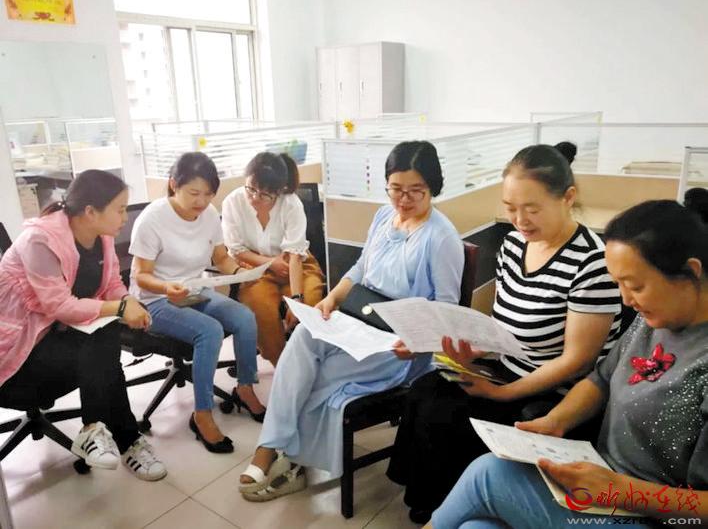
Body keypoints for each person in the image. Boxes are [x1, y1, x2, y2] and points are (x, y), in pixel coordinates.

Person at [430, 198, 708, 529]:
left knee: (488, 474)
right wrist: (555, 421)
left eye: (635, 286)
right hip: (606, 487)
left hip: (657, 515)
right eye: (619, 284)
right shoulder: (653, 320)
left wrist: (622, 491)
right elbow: (601, 380)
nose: (625, 299)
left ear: (690, 272)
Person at [387, 143, 623, 523]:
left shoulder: (593, 264)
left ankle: (449, 506)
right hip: (508, 367)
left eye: (532, 209)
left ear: (567, 198)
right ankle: (431, 500)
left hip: (554, 390)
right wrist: (474, 352)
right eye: (511, 208)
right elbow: (504, 325)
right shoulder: (513, 245)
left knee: (451, 415)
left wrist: (501, 392)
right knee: (426, 390)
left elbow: (577, 361)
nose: (520, 221)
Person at [237, 140, 465, 501]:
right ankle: (271, 447)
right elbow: (361, 269)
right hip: (361, 322)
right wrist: (331, 299)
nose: (403, 200)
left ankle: (292, 462)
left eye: (415, 191)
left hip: (399, 346)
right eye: (395, 189)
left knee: (316, 376)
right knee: (304, 337)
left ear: (433, 187)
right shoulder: (383, 217)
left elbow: (446, 309)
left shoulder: (441, 238)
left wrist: (415, 343)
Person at [0, 170, 166, 481]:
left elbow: (111, 284)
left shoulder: (102, 236)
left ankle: (99, 431)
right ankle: (122, 439)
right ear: (90, 212)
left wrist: (127, 301)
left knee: (104, 340)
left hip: (55, 338)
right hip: (18, 354)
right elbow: (60, 306)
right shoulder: (40, 241)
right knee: (103, 348)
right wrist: (119, 308)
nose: (125, 218)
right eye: (120, 209)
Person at [129, 152, 263, 454]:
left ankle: (244, 388)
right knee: (210, 331)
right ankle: (202, 413)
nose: (201, 201)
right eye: (193, 193)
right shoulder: (152, 219)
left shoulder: (209, 214)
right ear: (173, 184)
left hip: (192, 290)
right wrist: (167, 287)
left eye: (208, 194)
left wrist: (240, 273)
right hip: (154, 299)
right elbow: (140, 276)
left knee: (244, 317)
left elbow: (221, 258)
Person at [221, 152, 325, 366]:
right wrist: (270, 263)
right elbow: (236, 249)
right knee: (260, 309)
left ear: (279, 191)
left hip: (296, 264)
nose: (254, 198)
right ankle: (284, 367)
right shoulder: (233, 202)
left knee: (310, 307)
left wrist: (296, 300)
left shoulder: (291, 204)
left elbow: (295, 257)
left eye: (264, 194)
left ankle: (312, 364)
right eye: (251, 189)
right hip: (254, 266)